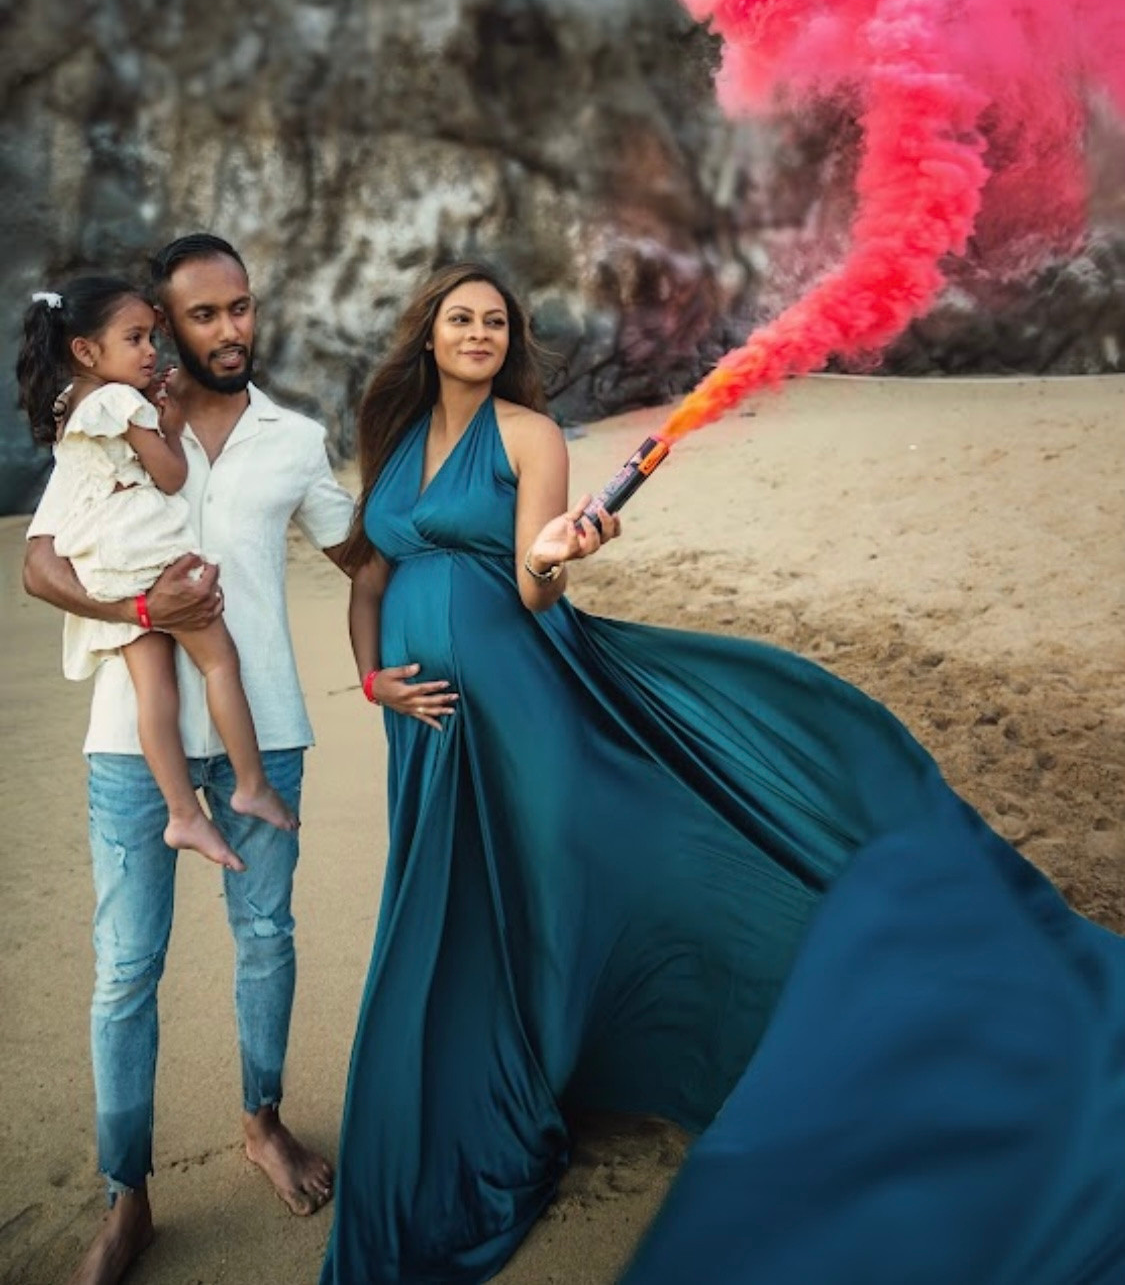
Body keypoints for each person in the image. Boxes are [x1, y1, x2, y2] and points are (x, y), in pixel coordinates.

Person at [321, 261, 1125, 1285]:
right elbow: (371, 579)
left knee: (568, 870)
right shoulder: (389, 442)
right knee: (463, 897)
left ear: (510, 339)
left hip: (521, 704)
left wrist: (563, 551)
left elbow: (530, 588)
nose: (478, 331)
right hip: (423, 726)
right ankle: (523, 1067)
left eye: (494, 320)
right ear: (427, 336)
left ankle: (815, 1030)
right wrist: (370, 685)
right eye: (459, 318)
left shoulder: (528, 436)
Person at [23, 235, 355, 1285]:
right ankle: (129, 1197)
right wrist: (131, 605)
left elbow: (369, 554)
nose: (230, 331)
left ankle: (262, 1123)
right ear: (157, 331)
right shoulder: (105, 432)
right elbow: (39, 566)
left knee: (268, 938)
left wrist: (525, 543)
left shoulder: (295, 439)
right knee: (127, 970)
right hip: (132, 747)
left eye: (242, 309)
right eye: (202, 316)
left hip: (269, 735)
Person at [17, 276, 297, 872]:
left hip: (107, 564)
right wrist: (166, 424)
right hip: (147, 550)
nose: (151, 352)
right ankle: (250, 783)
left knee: (155, 689)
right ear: (87, 351)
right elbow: (170, 476)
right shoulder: (121, 402)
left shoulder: (71, 402)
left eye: (151, 336)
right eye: (136, 338)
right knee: (219, 660)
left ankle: (182, 812)